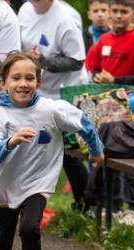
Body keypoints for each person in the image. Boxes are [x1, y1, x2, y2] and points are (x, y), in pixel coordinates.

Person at [0, 52, 104, 250]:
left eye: (29, 78)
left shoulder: (51, 109)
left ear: (39, 82)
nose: (23, 83)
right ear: (3, 83)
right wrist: (10, 142)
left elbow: (84, 123)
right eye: (16, 78)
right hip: (4, 184)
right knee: (1, 240)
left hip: (38, 182)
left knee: (29, 229)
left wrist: (96, 151)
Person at [84, 0, 134, 222]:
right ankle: (111, 206)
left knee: (130, 159)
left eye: (124, 12)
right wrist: (99, 77)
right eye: (115, 11)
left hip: (131, 109)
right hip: (105, 109)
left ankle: (132, 208)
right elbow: (92, 68)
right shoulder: (103, 40)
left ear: (133, 14)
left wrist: (117, 80)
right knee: (108, 156)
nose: (118, 16)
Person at [19, 0, 91, 212]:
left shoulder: (66, 19)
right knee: (32, 144)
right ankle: (25, 204)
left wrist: (44, 61)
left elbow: (77, 60)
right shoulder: (24, 10)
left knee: (68, 150)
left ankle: (86, 203)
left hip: (66, 91)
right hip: (37, 88)